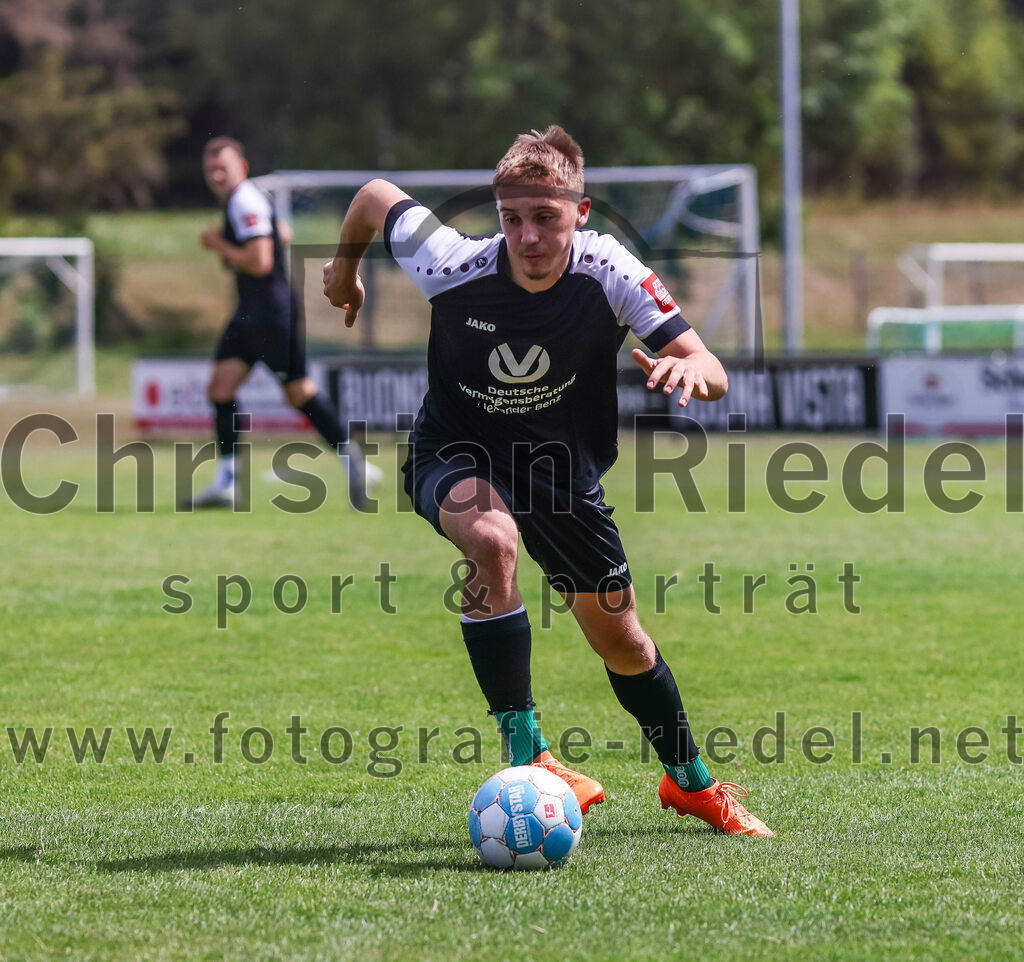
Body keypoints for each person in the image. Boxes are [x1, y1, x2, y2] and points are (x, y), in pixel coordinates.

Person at [322, 126, 773, 836]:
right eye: (512, 218)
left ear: (580, 213)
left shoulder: (610, 270)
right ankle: (531, 753)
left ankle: (690, 783)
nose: (527, 236)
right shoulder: (452, 263)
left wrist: (692, 369)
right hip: (456, 450)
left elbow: (711, 370)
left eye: (545, 218)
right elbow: (377, 196)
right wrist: (344, 267)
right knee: (492, 544)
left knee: (622, 640)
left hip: (562, 473)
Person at [184, 135, 380, 509]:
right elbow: (280, 236)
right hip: (255, 311)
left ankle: (353, 460)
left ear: (241, 168)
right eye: (211, 170)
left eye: (223, 167)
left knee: (297, 391)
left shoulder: (243, 200)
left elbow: (259, 261)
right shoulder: (247, 200)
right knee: (223, 389)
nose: (217, 175)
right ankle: (228, 483)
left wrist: (217, 245)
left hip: (268, 314)